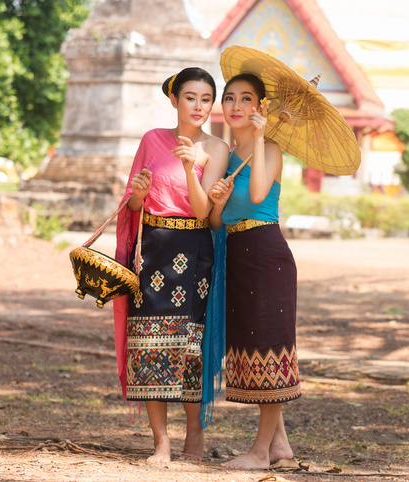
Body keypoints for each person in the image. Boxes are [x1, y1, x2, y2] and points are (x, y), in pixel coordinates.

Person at [112, 67, 229, 464]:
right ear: (174, 100)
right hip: (152, 251)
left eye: (206, 99)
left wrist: (188, 167)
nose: (198, 106)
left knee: (189, 347)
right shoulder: (152, 140)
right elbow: (131, 204)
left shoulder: (217, 148)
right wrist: (139, 195)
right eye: (190, 97)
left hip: (194, 251)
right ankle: (160, 441)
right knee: (146, 344)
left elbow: (202, 212)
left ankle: (193, 434)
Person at [209, 73, 301, 470]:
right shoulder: (226, 157)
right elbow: (215, 222)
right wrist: (217, 199)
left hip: (266, 254)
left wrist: (260, 140)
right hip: (235, 254)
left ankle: (260, 453)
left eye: (246, 99)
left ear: (261, 108)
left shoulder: (273, 150)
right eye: (229, 98)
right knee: (249, 348)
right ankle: (279, 445)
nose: (235, 106)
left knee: (269, 348)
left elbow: (261, 195)